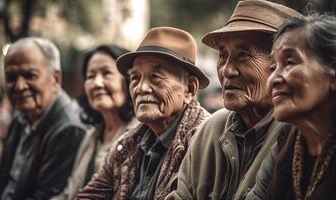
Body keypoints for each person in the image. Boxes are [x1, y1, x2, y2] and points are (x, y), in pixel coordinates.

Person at [166, 1, 301, 199]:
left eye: (243, 55)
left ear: (280, 65)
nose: (227, 70)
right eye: (222, 55)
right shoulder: (210, 130)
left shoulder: (296, 134)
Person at [75, 27, 211, 200]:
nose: (141, 88)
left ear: (189, 88)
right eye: (135, 78)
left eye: (155, 76)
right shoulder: (127, 144)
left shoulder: (205, 142)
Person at [0, 37, 86, 199]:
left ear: (55, 79)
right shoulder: (21, 118)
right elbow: (1, 182)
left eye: (30, 75)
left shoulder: (69, 129)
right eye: (11, 77)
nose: (19, 86)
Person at [258, 13, 336, 200]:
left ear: (333, 76)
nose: (273, 80)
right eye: (273, 67)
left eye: (289, 62)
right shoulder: (287, 144)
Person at [57, 45, 139, 200]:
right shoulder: (90, 137)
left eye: (106, 73)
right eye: (90, 76)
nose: (97, 83)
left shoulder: (139, 137)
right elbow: (69, 193)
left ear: (129, 80)